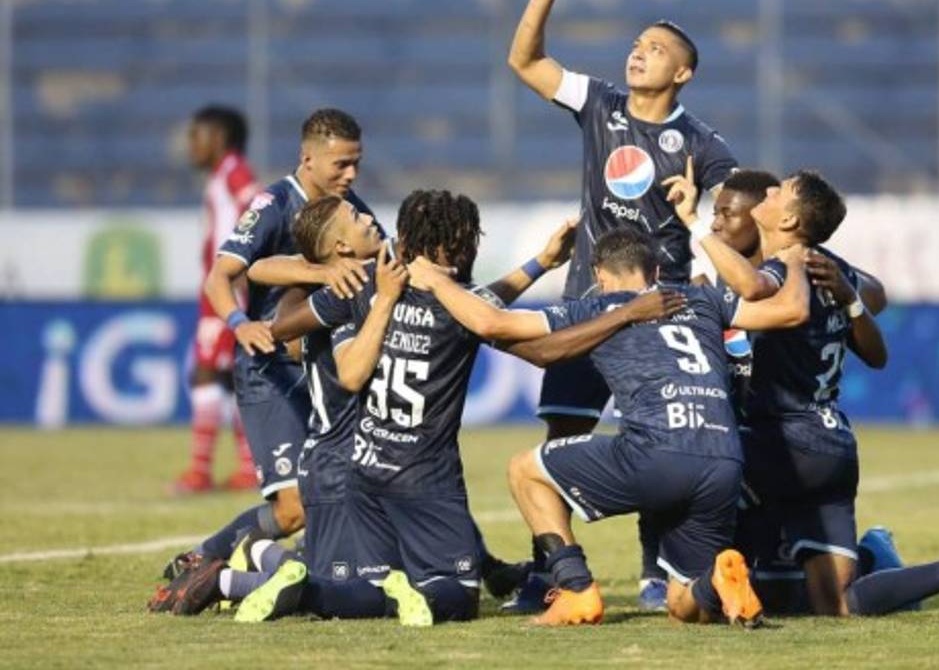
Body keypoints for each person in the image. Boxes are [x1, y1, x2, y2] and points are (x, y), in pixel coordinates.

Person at [220, 191, 685, 625]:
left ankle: (296, 589)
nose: (472, 248)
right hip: (424, 478)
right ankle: (266, 571)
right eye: (467, 240)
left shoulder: (365, 284)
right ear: (450, 247)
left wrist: (541, 262)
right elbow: (535, 345)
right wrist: (625, 313)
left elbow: (284, 324)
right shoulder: (458, 307)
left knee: (365, 587)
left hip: (363, 470)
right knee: (458, 595)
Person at [407, 227, 814, 627]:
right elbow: (792, 310)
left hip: (656, 454)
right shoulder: (702, 298)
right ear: (656, 271)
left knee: (525, 471)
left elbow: (492, 323)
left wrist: (437, 283)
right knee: (683, 605)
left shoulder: (599, 308)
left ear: (599, 275)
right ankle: (717, 582)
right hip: (723, 461)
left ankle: (575, 589)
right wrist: (795, 263)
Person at [506, 0, 739, 610]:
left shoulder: (701, 144)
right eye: (637, 44)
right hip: (588, 303)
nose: (639, 53)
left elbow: (743, 209)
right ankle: (554, 576)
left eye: (656, 49)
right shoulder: (599, 103)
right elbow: (525, 62)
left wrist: (705, 216)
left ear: (683, 73)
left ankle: (656, 574)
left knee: (661, 436)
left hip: (659, 316)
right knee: (562, 434)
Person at [670, 168, 939, 622]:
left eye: (779, 191)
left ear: (789, 220)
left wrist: (693, 223)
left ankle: (677, 584)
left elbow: (752, 288)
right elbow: (878, 321)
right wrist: (850, 297)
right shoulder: (829, 266)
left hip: (776, 443)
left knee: (693, 478)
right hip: (830, 444)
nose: (770, 190)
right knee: (836, 604)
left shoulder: (784, 268)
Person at [154, 109, 380, 594]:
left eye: (356, 163)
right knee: (293, 509)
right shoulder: (274, 203)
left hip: (325, 372)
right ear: (308, 158)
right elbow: (222, 276)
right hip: (270, 370)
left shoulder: (352, 209)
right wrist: (239, 323)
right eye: (341, 164)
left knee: (360, 487)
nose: (351, 174)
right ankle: (205, 559)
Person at [173, 105, 261, 495]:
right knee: (230, 376)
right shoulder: (222, 175)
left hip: (228, 291)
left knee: (207, 372)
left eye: (197, 136)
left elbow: (256, 204)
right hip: (222, 289)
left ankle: (200, 471)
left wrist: (242, 268)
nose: (191, 145)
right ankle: (248, 469)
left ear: (220, 138)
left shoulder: (233, 171)